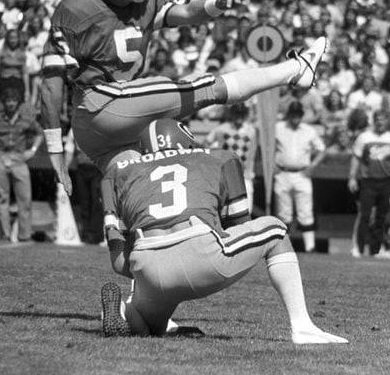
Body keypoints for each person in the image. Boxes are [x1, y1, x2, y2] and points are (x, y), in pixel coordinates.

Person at [40, 0, 328, 195]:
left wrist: (216, 4)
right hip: (100, 104)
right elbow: (51, 88)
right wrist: (55, 152)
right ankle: (295, 69)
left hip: (105, 129)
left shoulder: (145, 1)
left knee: (143, 200)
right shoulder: (77, 10)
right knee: (202, 87)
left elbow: (188, 11)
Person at [99, 119, 347, 344]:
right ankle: (303, 327)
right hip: (200, 250)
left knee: (150, 330)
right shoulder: (219, 157)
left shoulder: (118, 172)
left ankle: (126, 310)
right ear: (187, 142)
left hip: (148, 262)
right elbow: (238, 226)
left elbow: (119, 262)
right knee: (276, 230)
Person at [0, 87, 43, 242]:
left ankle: (24, 235)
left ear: (18, 102)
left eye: (13, 100)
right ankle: (5, 234)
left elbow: (40, 132)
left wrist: (32, 150)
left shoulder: (26, 117)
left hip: (19, 159)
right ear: (3, 102)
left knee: (25, 199)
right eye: (7, 100)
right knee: (2, 199)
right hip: (0, 158)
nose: (10, 103)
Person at [348, 110, 390, 258]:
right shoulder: (364, 137)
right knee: (364, 215)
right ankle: (358, 248)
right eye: (377, 119)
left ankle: (376, 249)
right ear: (374, 121)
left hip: (386, 181)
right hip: (368, 180)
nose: (380, 122)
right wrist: (352, 177)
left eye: (383, 119)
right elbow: (356, 158)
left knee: (381, 217)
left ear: (387, 121)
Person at [273, 101, 325, 253]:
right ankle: (284, 248)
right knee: (284, 213)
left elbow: (321, 149)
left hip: (302, 174)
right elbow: (267, 145)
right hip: (283, 173)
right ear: (289, 115)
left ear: (301, 116)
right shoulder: (278, 128)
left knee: (305, 211)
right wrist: (271, 164)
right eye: (293, 114)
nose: (295, 117)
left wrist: (312, 166)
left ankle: (310, 247)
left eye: (298, 115)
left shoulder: (309, 130)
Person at [205, 103, 258, 212]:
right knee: (226, 209)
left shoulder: (251, 131)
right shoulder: (221, 129)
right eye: (236, 113)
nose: (239, 116)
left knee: (247, 210)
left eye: (241, 114)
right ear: (232, 114)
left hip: (245, 175)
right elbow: (207, 143)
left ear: (245, 115)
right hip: (225, 175)